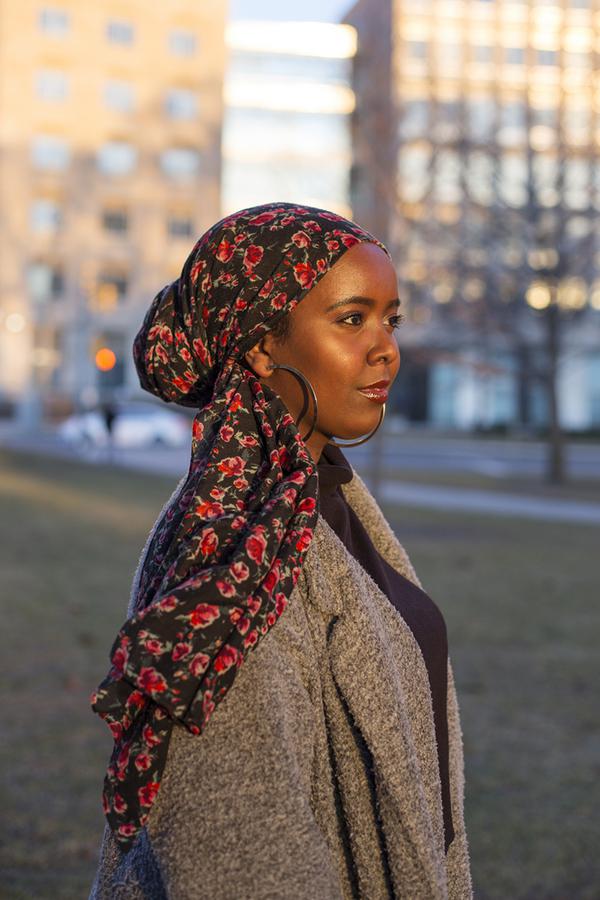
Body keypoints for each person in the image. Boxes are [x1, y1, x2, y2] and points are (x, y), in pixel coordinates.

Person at [88, 202, 472, 899]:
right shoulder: (232, 548)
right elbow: (239, 852)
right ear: (262, 345)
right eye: (352, 319)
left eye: (391, 319)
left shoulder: (319, 497)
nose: (386, 347)